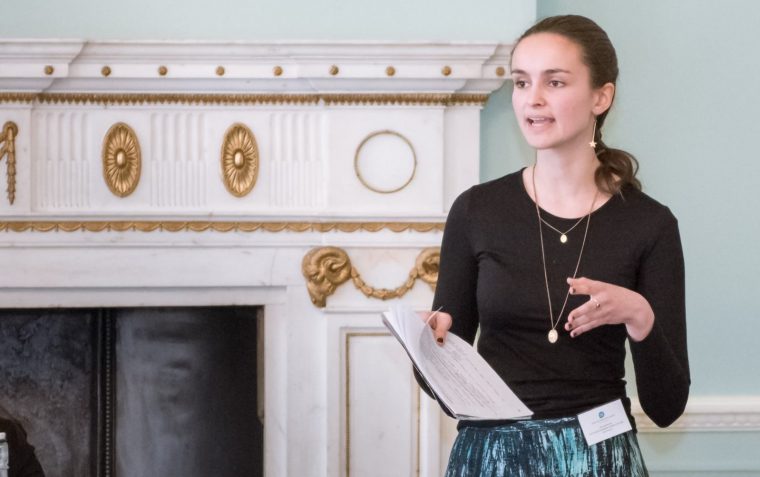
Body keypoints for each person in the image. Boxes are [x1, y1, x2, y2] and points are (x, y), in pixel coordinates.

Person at [419, 14, 690, 476]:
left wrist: (639, 315)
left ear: (601, 97)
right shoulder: (476, 210)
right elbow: (447, 392)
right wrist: (432, 346)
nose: (533, 99)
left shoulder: (650, 223)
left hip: (601, 454)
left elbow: (666, 407)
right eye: (522, 82)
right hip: (490, 457)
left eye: (555, 82)